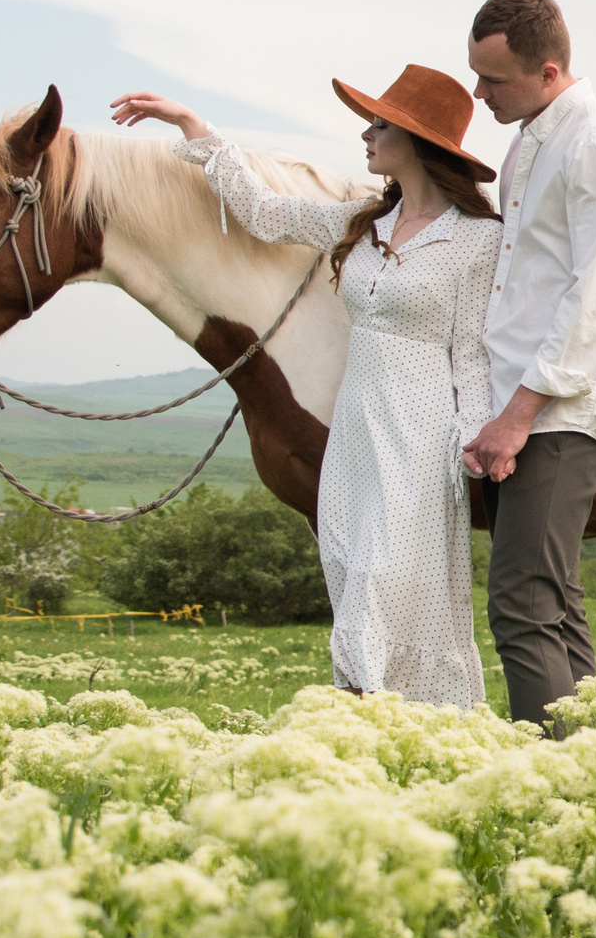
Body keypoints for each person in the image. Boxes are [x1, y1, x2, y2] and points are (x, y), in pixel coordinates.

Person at [110, 68, 501, 709]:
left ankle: (406, 719)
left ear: (418, 141)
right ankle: (373, 730)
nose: (366, 133)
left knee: (389, 581)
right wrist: (195, 129)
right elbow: (262, 214)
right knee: (350, 572)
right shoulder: (359, 223)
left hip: (422, 430)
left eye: (379, 124)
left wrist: (474, 440)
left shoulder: (478, 240)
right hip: (354, 426)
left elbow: (472, 357)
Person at [459, 0, 596, 728]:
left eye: (495, 80)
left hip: (559, 414)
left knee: (520, 602)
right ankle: (591, 764)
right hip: (526, 408)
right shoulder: (535, 139)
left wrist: (517, 413)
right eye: (477, 76)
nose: (480, 95)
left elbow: (595, 295)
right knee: (551, 600)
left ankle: (545, 782)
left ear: (548, 70)